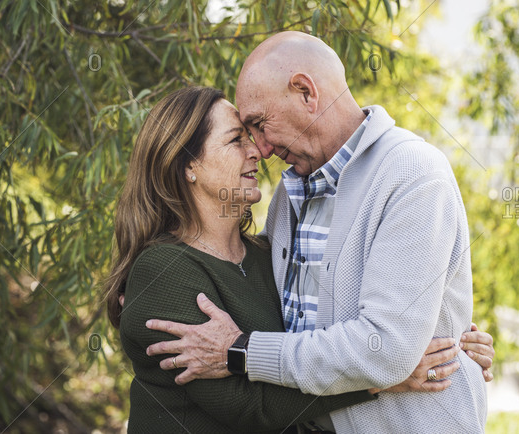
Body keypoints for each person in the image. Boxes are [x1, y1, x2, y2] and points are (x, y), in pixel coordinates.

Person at [144, 32, 492, 433]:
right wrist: (150, 283)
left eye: (258, 124)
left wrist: (242, 351)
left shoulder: (412, 174)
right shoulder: (288, 198)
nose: (262, 149)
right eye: (243, 133)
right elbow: (286, 318)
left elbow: (385, 351)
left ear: (306, 92)